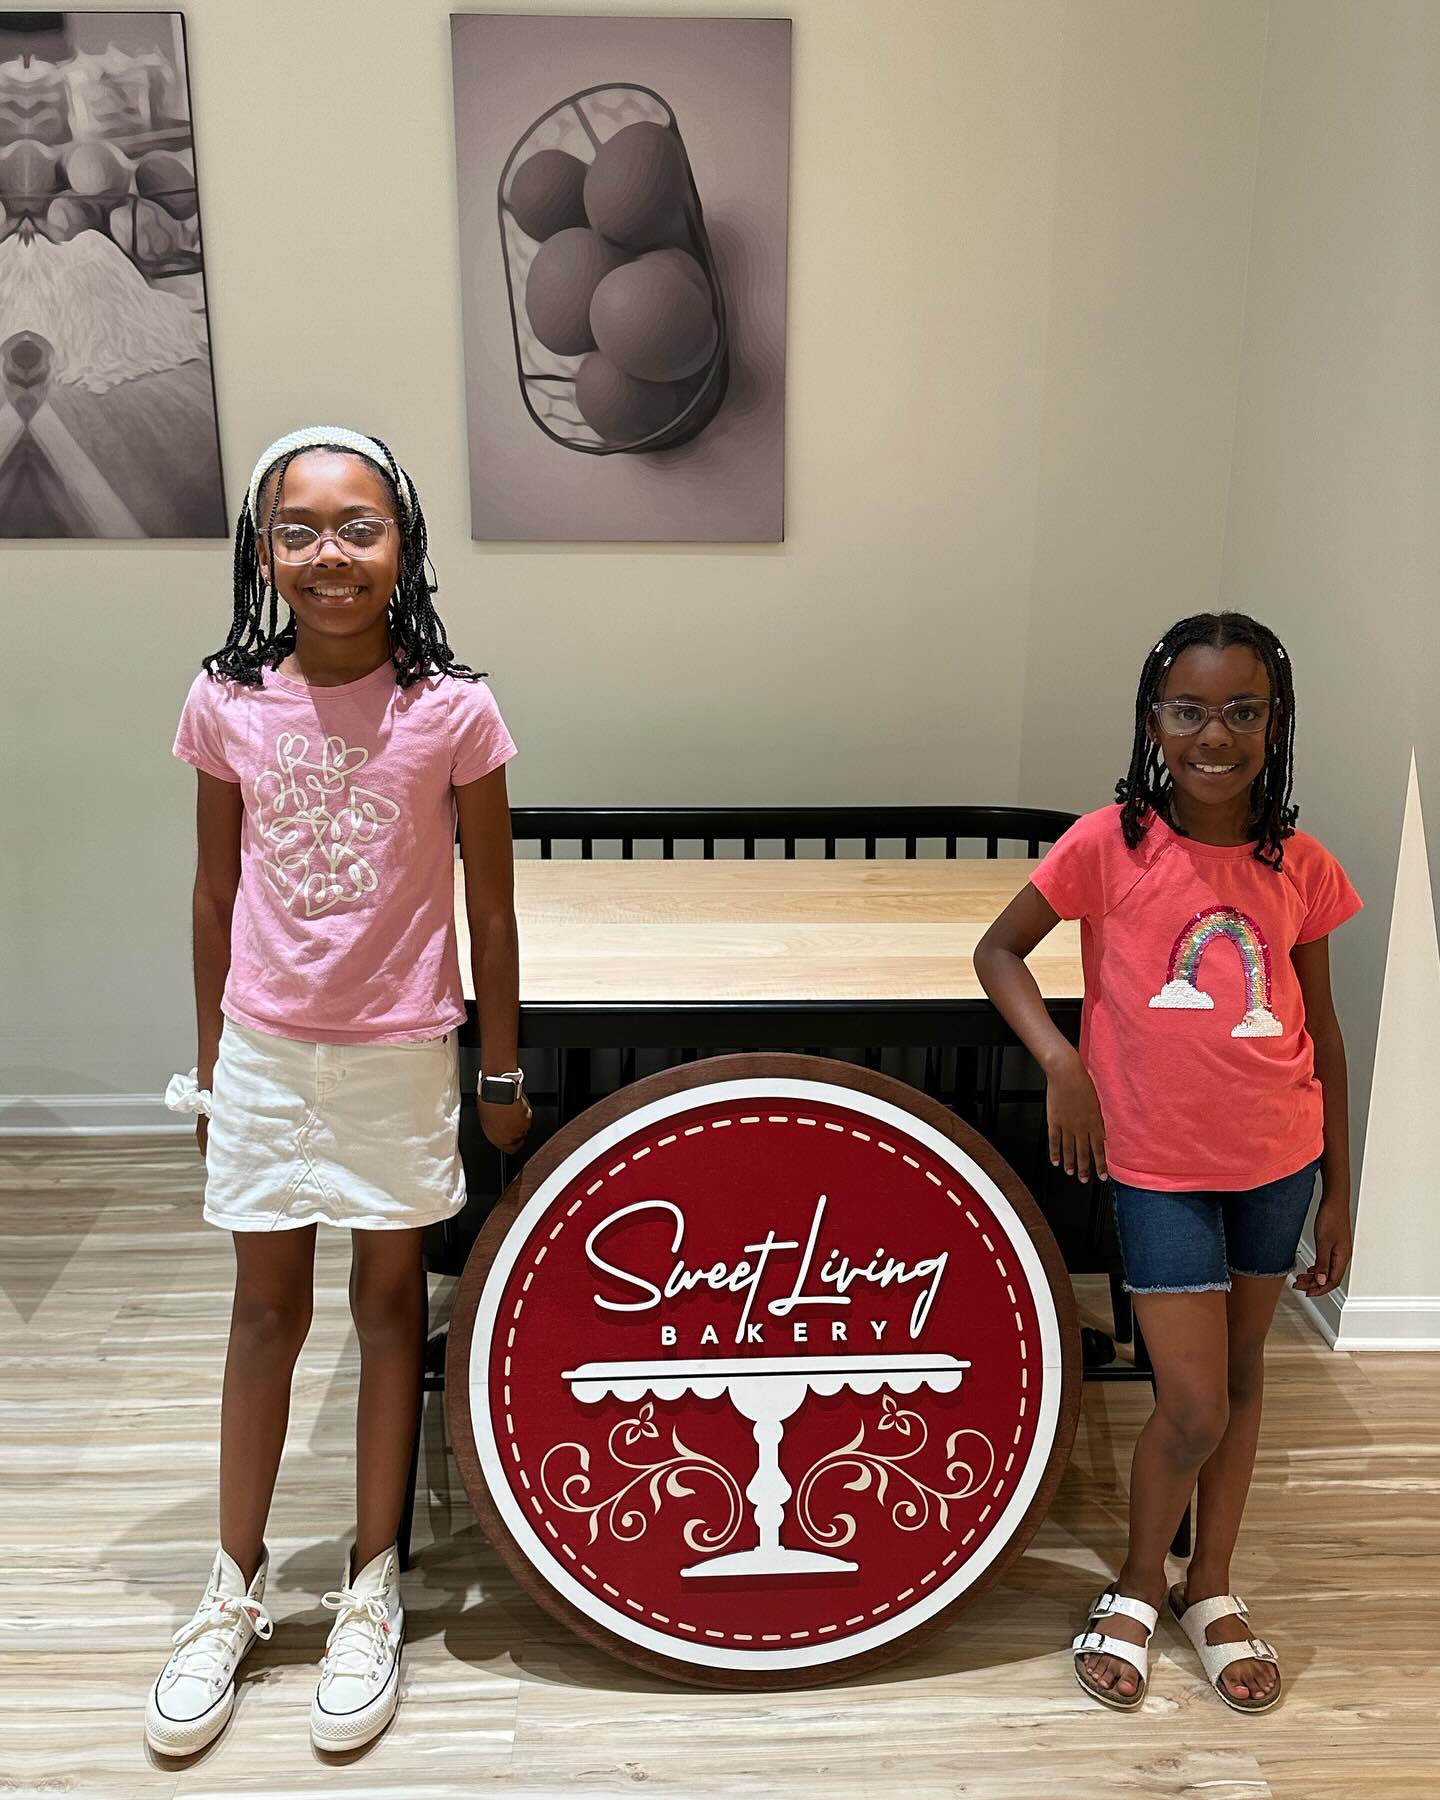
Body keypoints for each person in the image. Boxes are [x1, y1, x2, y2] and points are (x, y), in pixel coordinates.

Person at [146, 426, 531, 1756]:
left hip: (400, 1047)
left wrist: (500, 1066)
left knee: (383, 1312)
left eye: (357, 526)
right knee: (263, 1316)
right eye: (300, 529)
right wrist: (211, 1067)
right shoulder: (226, 701)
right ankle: (234, 1586)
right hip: (265, 1048)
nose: (330, 553)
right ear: (265, 550)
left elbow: (491, 905)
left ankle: (371, 1584)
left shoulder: (454, 711)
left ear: (403, 546)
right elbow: (213, 892)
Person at [974, 612, 1361, 1715]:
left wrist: (1342, 1186)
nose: (1215, 734)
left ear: (1273, 724)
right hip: (1158, 1169)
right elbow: (999, 950)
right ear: (1155, 721)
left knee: (1243, 1386)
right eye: (1189, 711)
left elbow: (1322, 1032)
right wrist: (1060, 1060)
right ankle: (1139, 1583)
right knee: (1191, 1405)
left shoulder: (1304, 866)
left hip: (1277, 1160)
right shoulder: (1109, 843)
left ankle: (1215, 1588)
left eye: (1242, 710)